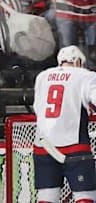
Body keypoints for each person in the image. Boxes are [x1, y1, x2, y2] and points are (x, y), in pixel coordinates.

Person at [32, 45, 96, 203]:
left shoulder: (42, 76)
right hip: (73, 144)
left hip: (43, 146)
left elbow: (37, 107)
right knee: (85, 195)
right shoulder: (85, 75)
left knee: (46, 196)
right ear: (79, 61)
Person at [55, 0, 96, 69]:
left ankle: (92, 76)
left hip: (92, 11)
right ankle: (68, 76)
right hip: (65, 9)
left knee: (93, 55)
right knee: (67, 54)